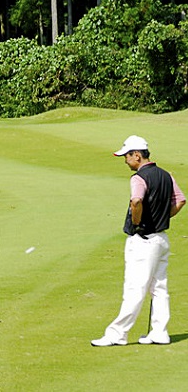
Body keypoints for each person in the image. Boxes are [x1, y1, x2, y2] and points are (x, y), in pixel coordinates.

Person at [91, 135, 186, 347]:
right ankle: (159, 332)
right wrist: (162, 218)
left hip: (143, 241)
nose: (125, 161)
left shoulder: (138, 178)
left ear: (137, 155)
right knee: (159, 288)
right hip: (161, 239)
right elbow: (180, 201)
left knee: (135, 288)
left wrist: (137, 224)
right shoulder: (166, 175)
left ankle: (117, 334)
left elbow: (136, 201)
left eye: (126, 156)